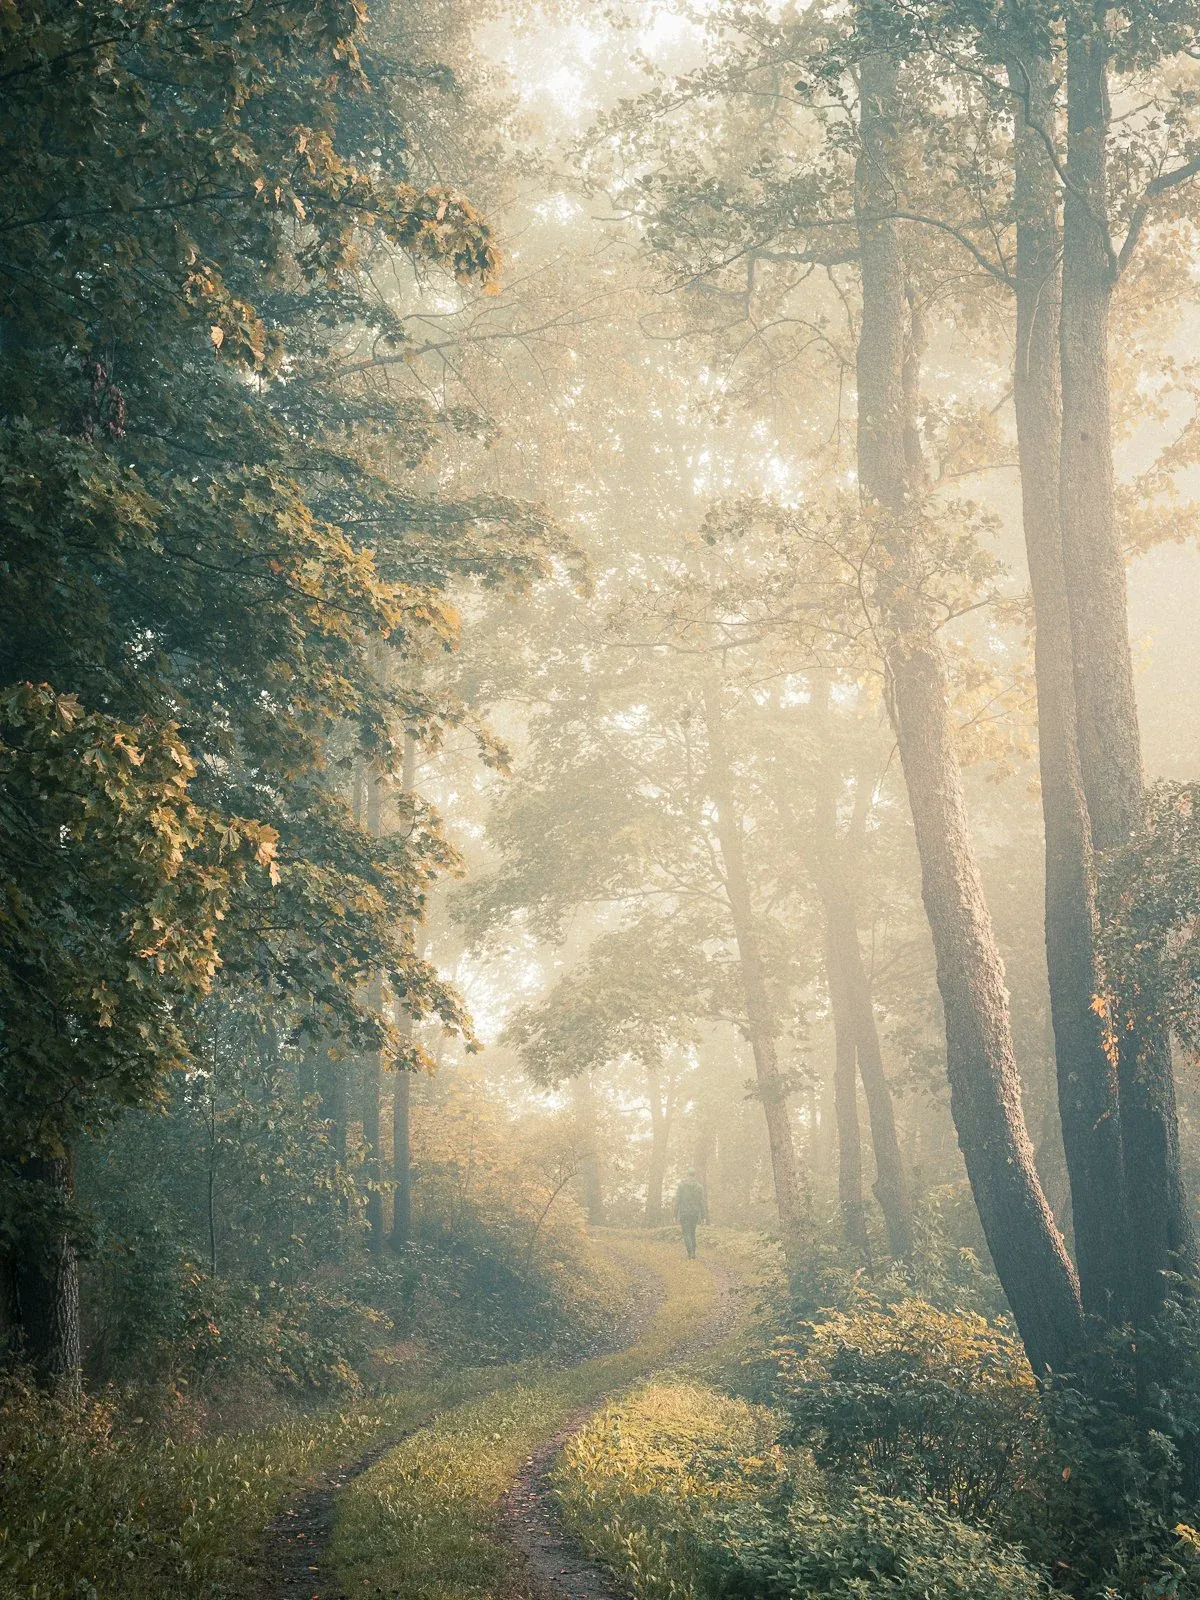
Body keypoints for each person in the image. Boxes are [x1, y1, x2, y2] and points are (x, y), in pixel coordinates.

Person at [673, 1167, 708, 1259]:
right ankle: (693, 1253)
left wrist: (675, 1215)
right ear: (694, 1175)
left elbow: (677, 1201)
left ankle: (690, 1253)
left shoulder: (681, 1186)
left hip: (684, 1212)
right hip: (694, 1213)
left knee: (686, 1233)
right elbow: (701, 1202)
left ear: (687, 1174)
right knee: (692, 1233)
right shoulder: (699, 1187)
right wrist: (704, 1216)